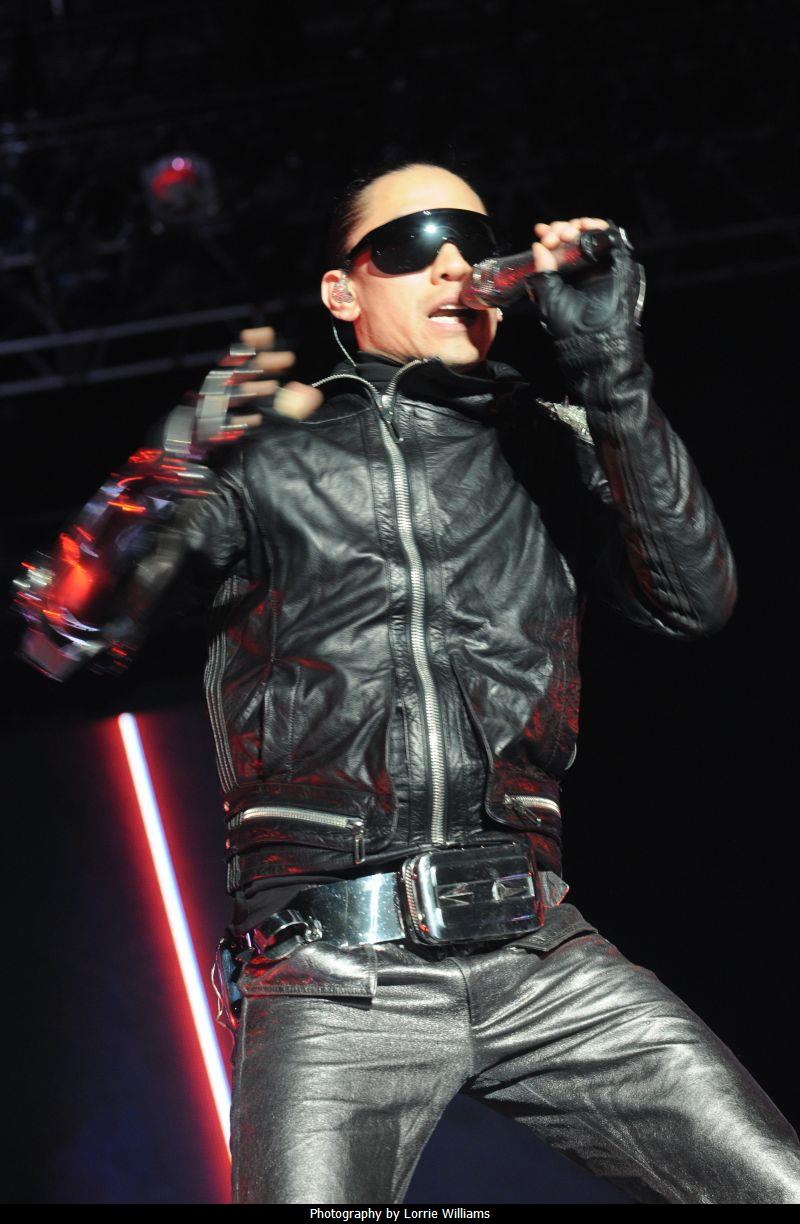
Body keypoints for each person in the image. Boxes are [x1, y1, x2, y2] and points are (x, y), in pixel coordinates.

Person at [16, 161, 800, 1204]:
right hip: (333, 979)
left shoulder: (543, 438)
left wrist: (608, 364)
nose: (451, 265)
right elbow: (61, 634)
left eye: (472, 242)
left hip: (539, 952)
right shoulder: (266, 457)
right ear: (342, 291)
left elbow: (692, 600)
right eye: (411, 243)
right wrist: (159, 479)